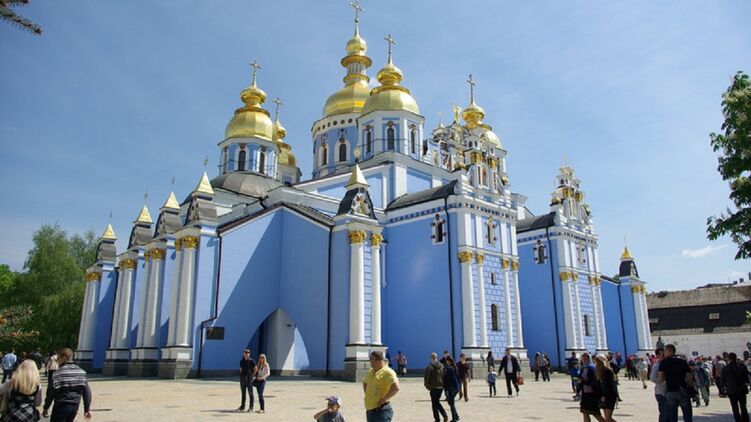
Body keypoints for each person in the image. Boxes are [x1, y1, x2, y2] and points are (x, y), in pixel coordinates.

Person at [42, 347, 92, 421]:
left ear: (64, 358)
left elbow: (51, 392)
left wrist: (46, 407)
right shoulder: (81, 372)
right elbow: (87, 392)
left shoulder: (57, 373)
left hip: (60, 405)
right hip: (74, 406)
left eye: (58, 358)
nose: (57, 361)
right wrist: (87, 409)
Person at [658, 344, 693, 422]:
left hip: (670, 391)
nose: (664, 353)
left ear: (669, 351)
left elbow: (660, 378)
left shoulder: (664, 362)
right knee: (687, 415)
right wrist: (690, 386)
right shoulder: (682, 361)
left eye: (665, 351)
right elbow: (689, 376)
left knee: (672, 415)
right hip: (682, 389)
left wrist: (668, 377)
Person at [363, 351, 399, 422]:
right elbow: (365, 383)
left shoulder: (388, 372)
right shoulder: (371, 371)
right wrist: (368, 395)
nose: (370, 361)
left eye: (371, 359)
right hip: (370, 410)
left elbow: (396, 388)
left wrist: (384, 399)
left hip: (381, 410)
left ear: (378, 360)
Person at [721, 352, 749, 422]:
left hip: (732, 390)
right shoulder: (742, 366)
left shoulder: (725, 368)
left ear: (729, 359)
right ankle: (745, 420)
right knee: (743, 407)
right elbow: (747, 378)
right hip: (742, 389)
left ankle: (738, 420)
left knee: (735, 408)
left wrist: (724, 388)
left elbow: (722, 381)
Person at [579, 352, 604, 422]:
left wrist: (583, 381)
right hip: (585, 394)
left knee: (596, 414)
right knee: (585, 412)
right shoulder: (583, 368)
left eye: (585, 359)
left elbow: (594, 382)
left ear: (589, 359)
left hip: (592, 394)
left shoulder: (592, 368)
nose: (584, 360)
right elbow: (580, 378)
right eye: (583, 358)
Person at [423, 353, 448, 422]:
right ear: (436, 357)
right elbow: (444, 375)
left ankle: (441, 416)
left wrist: (427, 385)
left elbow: (426, 376)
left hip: (433, 387)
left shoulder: (430, 366)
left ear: (431, 358)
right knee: (436, 402)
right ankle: (441, 417)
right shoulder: (441, 365)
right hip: (441, 387)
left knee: (435, 403)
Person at [595, 354, 618, 422]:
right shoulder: (598, 371)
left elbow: (611, 386)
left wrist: (605, 395)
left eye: (598, 362)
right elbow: (598, 385)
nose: (596, 364)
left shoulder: (608, 371)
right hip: (603, 396)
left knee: (608, 418)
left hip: (610, 396)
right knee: (607, 418)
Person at [651, 347, 668, 422]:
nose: (664, 356)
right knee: (664, 414)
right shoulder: (656, 365)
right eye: (662, 355)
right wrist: (663, 381)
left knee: (668, 414)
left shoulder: (665, 364)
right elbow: (653, 378)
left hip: (666, 392)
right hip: (661, 392)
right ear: (657, 356)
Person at [442, 356, 460, 422]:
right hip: (456, 387)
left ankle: (454, 419)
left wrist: (445, 387)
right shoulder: (455, 367)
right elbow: (458, 377)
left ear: (448, 361)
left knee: (451, 403)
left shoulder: (448, 368)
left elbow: (446, 379)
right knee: (450, 402)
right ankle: (456, 416)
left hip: (451, 388)